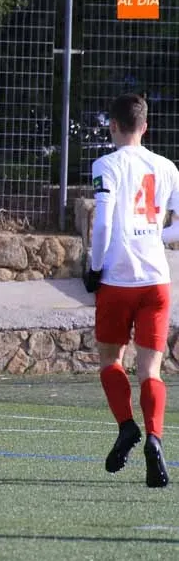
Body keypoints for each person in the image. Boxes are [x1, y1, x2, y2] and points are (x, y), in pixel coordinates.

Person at [84, 92, 179, 488]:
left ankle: (127, 426)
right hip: (156, 280)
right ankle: (155, 438)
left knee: (111, 360)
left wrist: (94, 267)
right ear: (145, 127)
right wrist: (154, 235)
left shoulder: (106, 165)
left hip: (118, 279)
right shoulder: (168, 167)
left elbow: (104, 223)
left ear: (112, 126)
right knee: (151, 369)